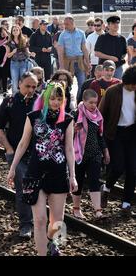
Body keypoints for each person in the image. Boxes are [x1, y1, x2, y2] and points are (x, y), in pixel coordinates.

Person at [7, 81, 77, 256]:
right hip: (35, 173)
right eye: (52, 98)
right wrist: (13, 167)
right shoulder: (33, 116)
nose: (55, 102)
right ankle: (41, 253)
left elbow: (69, 148)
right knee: (39, 219)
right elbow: (23, 143)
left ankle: (55, 245)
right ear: (45, 99)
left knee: (57, 220)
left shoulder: (68, 119)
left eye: (59, 99)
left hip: (58, 174)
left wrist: (73, 176)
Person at [0, 72, 39, 239]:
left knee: (37, 188)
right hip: (16, 153)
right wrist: (8, 149)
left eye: (34, 86)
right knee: (23, 189)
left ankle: (38, 220)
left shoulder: (39, 101)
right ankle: (26, 224)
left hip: (36, 153)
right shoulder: (9, 102)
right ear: (19, 83)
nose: (31, 89)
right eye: (27, 85)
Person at [99, 65, 136, 217]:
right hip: (115, 134)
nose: (134, 87)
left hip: (133, 133)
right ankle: (106, 188)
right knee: (118, 167)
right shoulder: (113, 92)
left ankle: (126, 204)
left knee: (133, 170)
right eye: (133, 84)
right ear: (126, 81)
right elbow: (101, 115)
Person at [72, 89, 109, 219]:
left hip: (95, 153)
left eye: (95, 103)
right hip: (78, 154)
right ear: (84, 101)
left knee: (95, 181)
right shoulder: (75, 114)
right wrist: (73, 130)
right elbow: (64, 135)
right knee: (79, 181)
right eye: (91, 102)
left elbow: (100, 135)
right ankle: (76, 209)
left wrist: (105, 151)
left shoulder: (98, 116)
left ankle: (98, 211)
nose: (94, 105)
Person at [57, 16, 91, 91]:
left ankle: (78, 101)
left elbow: (84, 49)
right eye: (64, 24)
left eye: (67, 24)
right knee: (66, 85)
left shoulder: (81, 33)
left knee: (82, 84)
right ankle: (67, 101)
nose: (65, 26)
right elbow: (60, 52)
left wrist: (88, 63)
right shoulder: (62, 35)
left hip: (80, 62)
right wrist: (61, 66)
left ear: (72, 23)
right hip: (67, 63)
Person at [7, 25, 32, 94]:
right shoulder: (9, 42)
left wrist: (31, 53)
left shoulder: (24, 40)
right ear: (11, 32)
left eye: (17, 30)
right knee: (15, 82)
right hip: (14, 63)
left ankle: (23, 96)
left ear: (19, 31)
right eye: (14, 30)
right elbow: (8, 56)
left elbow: (27, 51)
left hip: (24, 63)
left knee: (23, 81)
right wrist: (13, 52)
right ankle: (15, 98)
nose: (15, 31)